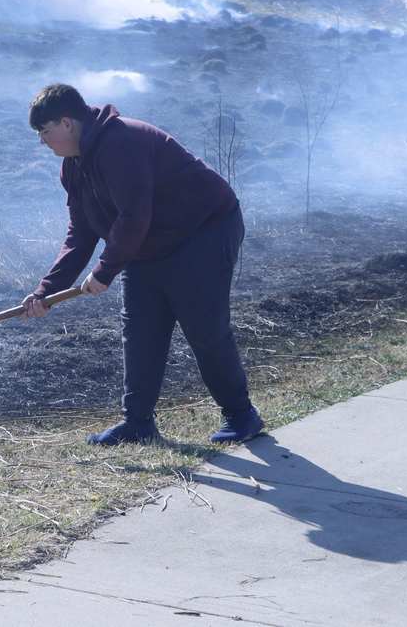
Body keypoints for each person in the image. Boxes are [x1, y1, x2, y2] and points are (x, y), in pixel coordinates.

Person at [22, 84, 263, 446]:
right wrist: (47, 291)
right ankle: (137, 424)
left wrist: (104, 271)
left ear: (67, 123)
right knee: (140, 330)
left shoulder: (122, 143)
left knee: (203, 325)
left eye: (45, 131)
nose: (42, 141)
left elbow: (135, 215)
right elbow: (81, 232)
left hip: (203, 232)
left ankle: (241, 415)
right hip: (147, 243)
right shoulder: (73, 168)